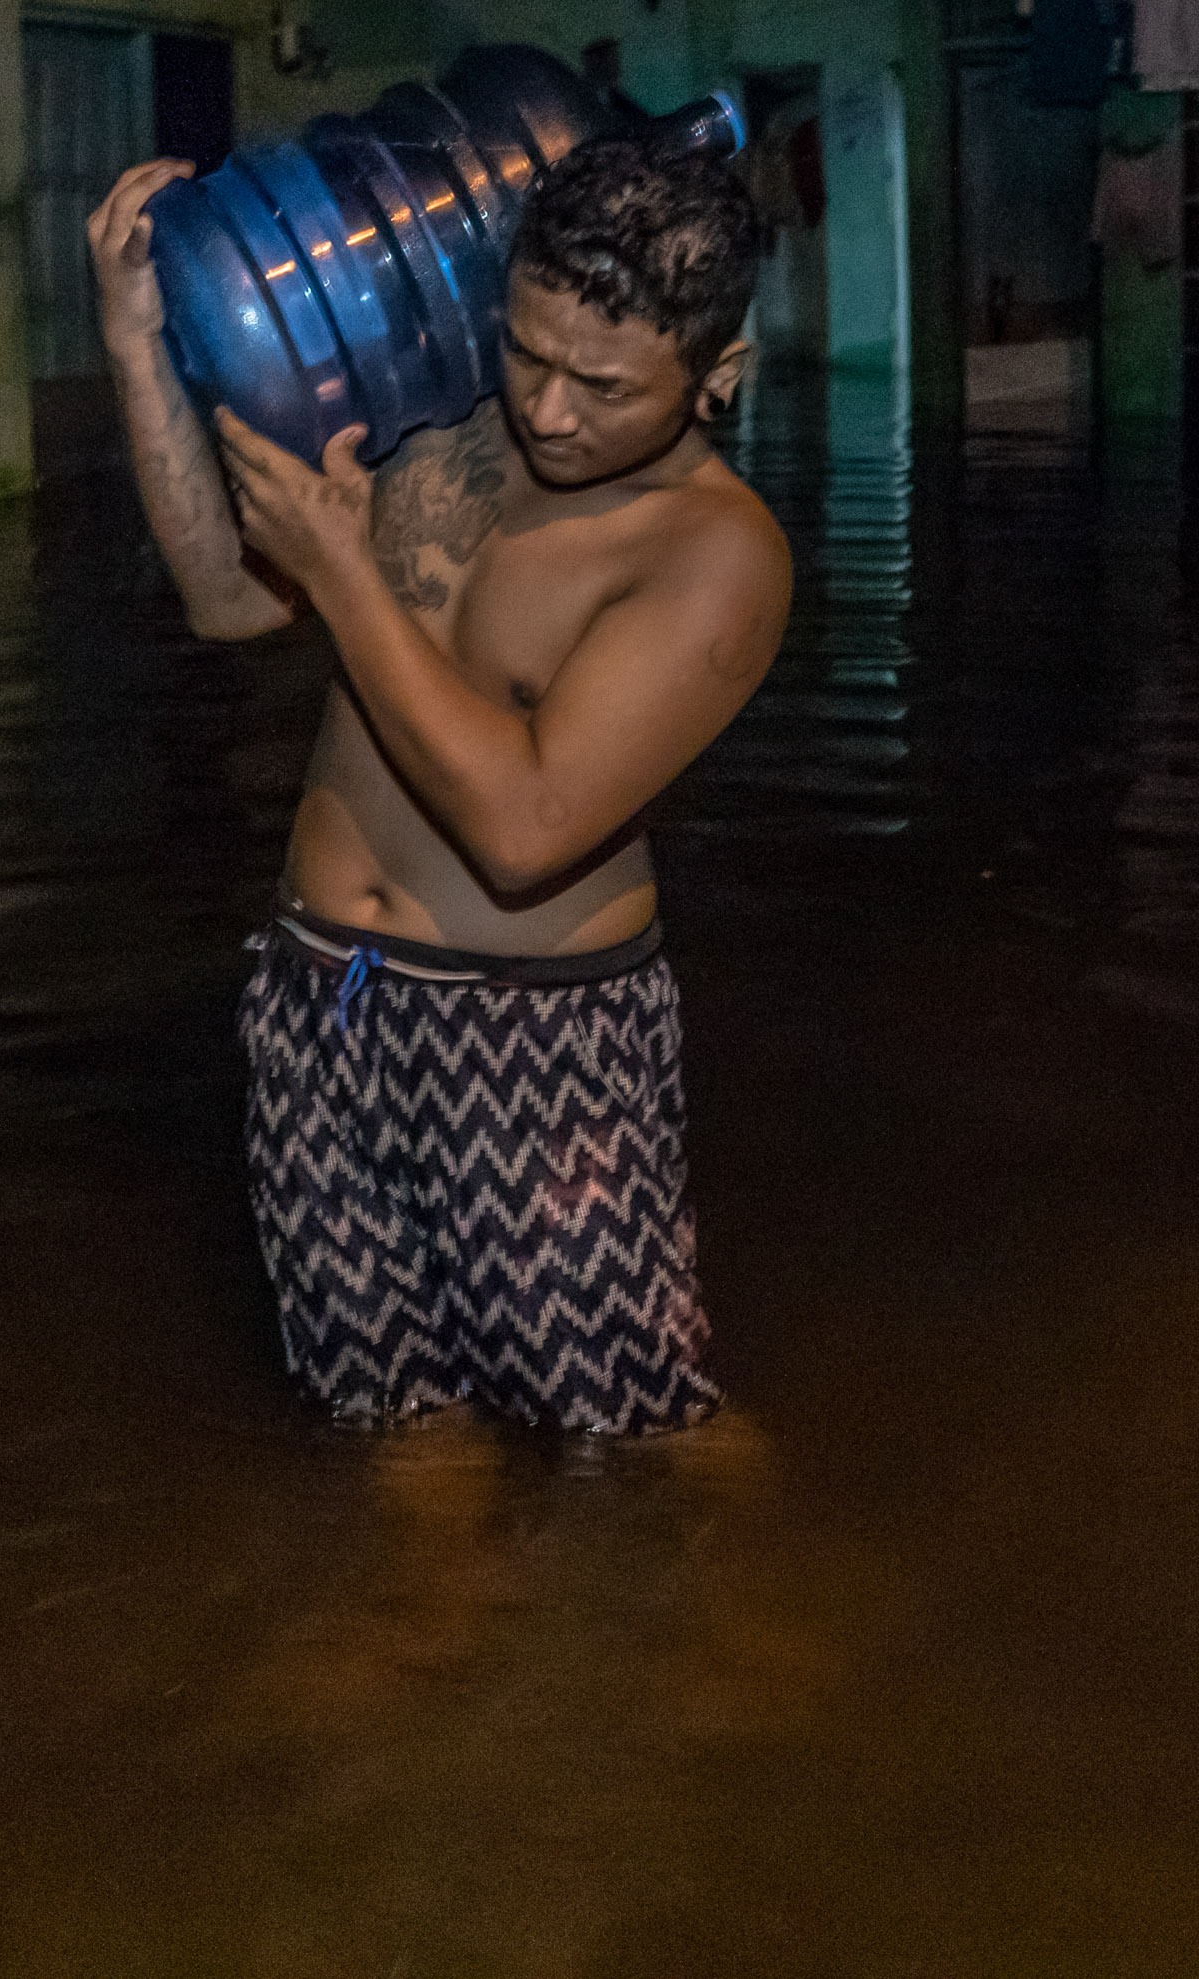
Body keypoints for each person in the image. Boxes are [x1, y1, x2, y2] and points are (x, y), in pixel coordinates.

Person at [86, 133, 791, 1435]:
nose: (550, 410)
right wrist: (138, 348)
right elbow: (228, 598)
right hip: (324, 1003)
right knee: (390, 1429)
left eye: (604, 385)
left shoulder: (715, 553)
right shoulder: (443, 433)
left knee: (630, 1430)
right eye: (527, 352)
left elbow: (526, 831)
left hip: (534, 1043)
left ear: (718, 375)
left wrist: (346, 573)